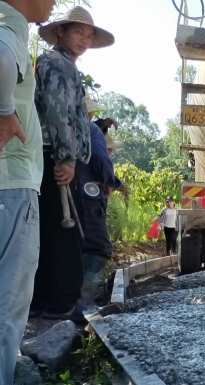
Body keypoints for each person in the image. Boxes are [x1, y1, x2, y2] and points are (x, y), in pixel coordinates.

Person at [32, 6, 114, 319]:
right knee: (60, 231)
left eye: (89, 34)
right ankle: (57, 304)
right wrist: (66, 158)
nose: (84, 39)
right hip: (54, 154)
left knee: (52, 229)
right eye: (78, 31)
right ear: (61, 32)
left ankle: (44, 302)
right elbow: (57, 113)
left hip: (53, 154)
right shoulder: (57, 63)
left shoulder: (63, 64)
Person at [0, 1, 55, 383]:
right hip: (13, 184)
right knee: (7, 305)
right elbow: (2, 59)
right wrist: (5, 111)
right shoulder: (11, 24)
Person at [78, 97, 120, 309]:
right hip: (88, 200)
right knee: (98, 246)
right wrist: (110, 181)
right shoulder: (91, 132)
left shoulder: (65, 128)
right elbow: (102, 162)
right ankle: (84, 305)